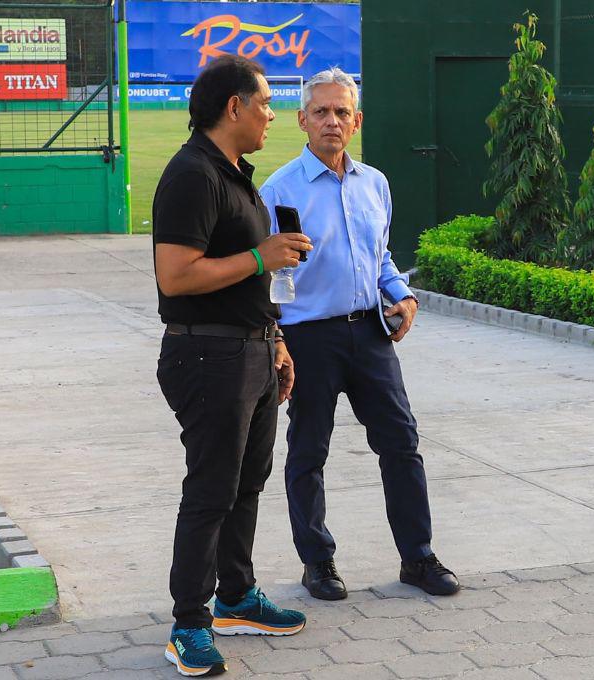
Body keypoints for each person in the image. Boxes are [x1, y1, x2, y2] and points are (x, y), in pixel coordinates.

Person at [259, 68, 460, 602]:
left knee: (402, 444)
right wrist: (276, 339)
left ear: (357, 121)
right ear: (302, 120)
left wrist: (404, 295)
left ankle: (418, 557)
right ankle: (318, 562)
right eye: (321, 112)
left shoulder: (375, 183)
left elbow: (381, 259)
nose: (331, 121)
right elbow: (274, 275)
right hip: (309, 340)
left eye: (341, 112)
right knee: (308, 452)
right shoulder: (280, 189)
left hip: (371, 336)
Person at [153, 55, 313, 677]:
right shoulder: (193, 174)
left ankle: (236, 596)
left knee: (247, 482)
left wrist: (273, 339)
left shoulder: (234, 174)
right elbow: (176, 274)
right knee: (212, 489)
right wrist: (262, 255)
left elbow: (249, 276)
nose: (274, 115)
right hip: (205, 354)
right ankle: (188, 624)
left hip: (247, 348)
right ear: (234, 107)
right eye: (267, 103)